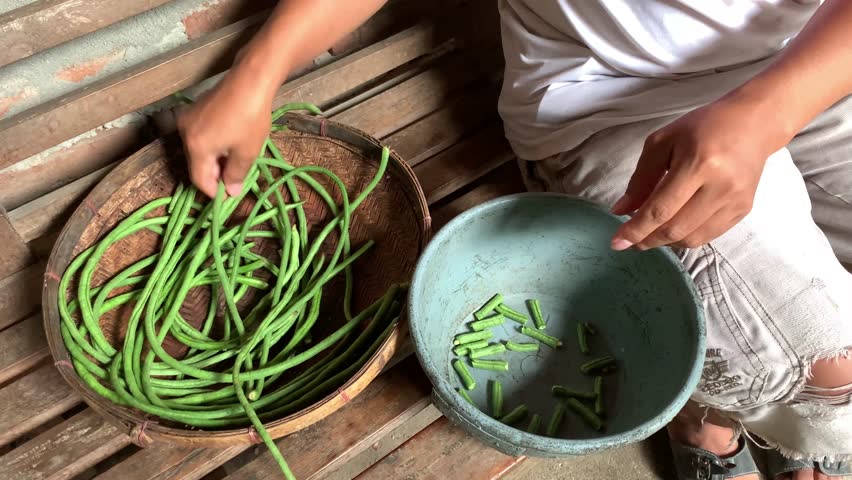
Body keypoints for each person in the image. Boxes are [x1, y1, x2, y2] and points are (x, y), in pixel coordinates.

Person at [178, 1, 852, 478]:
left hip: (811, 54)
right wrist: (257, 74)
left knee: (798, 365)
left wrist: (771, 112)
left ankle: (744, 405)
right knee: (828, 389)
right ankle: (709, 418)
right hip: (612, 96)